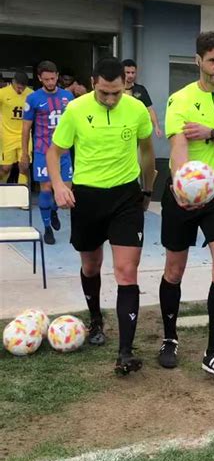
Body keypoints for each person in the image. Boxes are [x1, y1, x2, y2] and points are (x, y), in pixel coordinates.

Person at [46, 57, 156, 376]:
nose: (110, 99)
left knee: (126, 271)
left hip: (125, 196)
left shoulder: (136, 109)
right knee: (91, 265)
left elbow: (147, 150)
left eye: (117, 93)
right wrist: (57, 186)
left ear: (126, 84)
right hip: (87, 197)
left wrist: (147, 190)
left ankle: (125, 352)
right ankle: (96, 319)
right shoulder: (76, 109)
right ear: (94, 83)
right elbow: (55, 152)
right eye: (105, 93)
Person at [158, 30, 214, 380]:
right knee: (174, 271)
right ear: (198, 60)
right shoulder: (179, 100)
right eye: (213, 60)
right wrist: (184, 184)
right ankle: (169, 338)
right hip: (182, 194)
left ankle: (213, 353)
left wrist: (211, 132)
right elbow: (178, 148)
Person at [21, 61, 74, 245]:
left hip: (64, 152)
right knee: (45, 189)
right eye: (46, 79)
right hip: (43, 151)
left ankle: (53, 211)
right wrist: (24, 153)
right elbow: (26, 128)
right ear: (39, 78)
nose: (50, 82)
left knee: (66, 191)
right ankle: (47, 228)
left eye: (52, 78)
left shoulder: (68, 96)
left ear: (57, 76)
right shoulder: (33, 99)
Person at [0, 70, 32, 185]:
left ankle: (21, 198)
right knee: (5, 168)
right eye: (18, 87)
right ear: (13, 82)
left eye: (23, 88)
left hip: (25, 135)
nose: (20, 90)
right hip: (7, 136)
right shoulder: (2, 93)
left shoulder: (31, 94)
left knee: (24, 166)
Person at [122, 59, 162, 137]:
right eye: (127, 72)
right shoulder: (116, 90)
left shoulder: (140, 89)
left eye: (133, 73)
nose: (130, 75)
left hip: (136, 128)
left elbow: (150, 109)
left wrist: (156, 127)